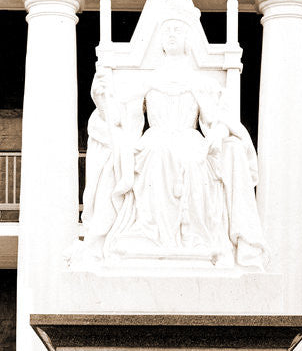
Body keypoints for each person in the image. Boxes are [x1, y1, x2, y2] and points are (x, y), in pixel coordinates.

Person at [79, 15, 269, 269]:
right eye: (166, 30)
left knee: (191, 158)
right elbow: (122, 118)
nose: (171, 34)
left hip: (189, 140)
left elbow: (221, 120)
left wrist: (217, 134)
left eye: (177, 30)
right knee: (155, 152)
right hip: (154, 140)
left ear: (188, 39)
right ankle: (150, 234)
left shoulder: (201, 83)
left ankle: (192, 236)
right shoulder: (148, 81)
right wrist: (101, 100)